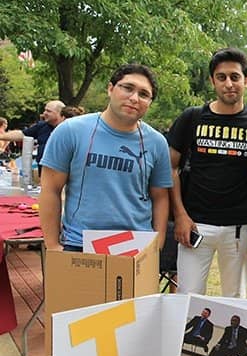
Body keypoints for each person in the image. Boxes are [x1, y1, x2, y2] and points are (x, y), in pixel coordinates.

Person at [168, 48, 247, 297]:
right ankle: (187, 337)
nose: (229, 84)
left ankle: (233, 337)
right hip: (195, 224)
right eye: (221, 77)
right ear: (212, 81)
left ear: (246, 80)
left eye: (235, 77)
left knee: (236, 298)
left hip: (238, 227)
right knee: (188, 295)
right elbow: (169, 168)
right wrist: (180, 215)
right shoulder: (192, 118)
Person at [39, 64, 172, 251]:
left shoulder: (157, 143)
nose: (134, 98)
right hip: (80, 243)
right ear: (110, 88)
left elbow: (160, 197)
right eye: (127, 88)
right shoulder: (71, 131)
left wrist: (158, 243)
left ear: (150, 102)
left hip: (135, 245)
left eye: (144, 94)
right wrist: (52, 245)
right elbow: (50, 190)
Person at [0, 100, 65, 167]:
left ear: (60, 113)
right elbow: (21, 134)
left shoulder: (68, 128)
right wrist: (1, 136)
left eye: (48, 111)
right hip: (43, 170)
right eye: (45, 110)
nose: (44, 113)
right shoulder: (42, 126)